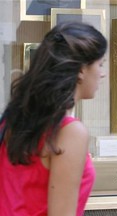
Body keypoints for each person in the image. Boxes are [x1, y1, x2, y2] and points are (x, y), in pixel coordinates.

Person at [0, 21, 107, 215]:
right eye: (100, 64)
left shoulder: (12, 120)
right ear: (82, 70)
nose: (103, 74)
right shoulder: (69, 132)